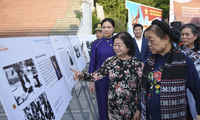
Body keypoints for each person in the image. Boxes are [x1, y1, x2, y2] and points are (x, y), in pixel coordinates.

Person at [134, 19, 200, 120]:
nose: (148, 44)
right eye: (147, 41)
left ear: (165, 39)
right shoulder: (150, 60)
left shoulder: (183, 61)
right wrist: (139, 109)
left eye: (151, 40)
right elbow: (145, 88)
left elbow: (197, 89)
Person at [70, 32, 143, 119]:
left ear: (128, 46)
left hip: (131, 106)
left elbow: (141, 88)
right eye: (114, 45)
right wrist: (82, 75)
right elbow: (96, 75)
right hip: (114, 105)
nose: (116, 48)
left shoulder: (136, 64)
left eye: (119, 45)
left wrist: (139, 109)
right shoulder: (110, 61)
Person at [89, 18, 116, 120]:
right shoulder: (97, 44)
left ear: (113, 28)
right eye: (104, 27)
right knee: (102, 104)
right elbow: (92, 63)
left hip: (117, 79)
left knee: (116, 105)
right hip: (101, 80)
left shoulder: (118, 41)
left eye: (109, 27)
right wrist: (91, 82)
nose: (106, 30)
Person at [177, 23, 200, 119]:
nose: (184, 37)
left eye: (187, 34)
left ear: (195, 36)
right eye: (182, 34)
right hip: (181, 90)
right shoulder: (177, 52)